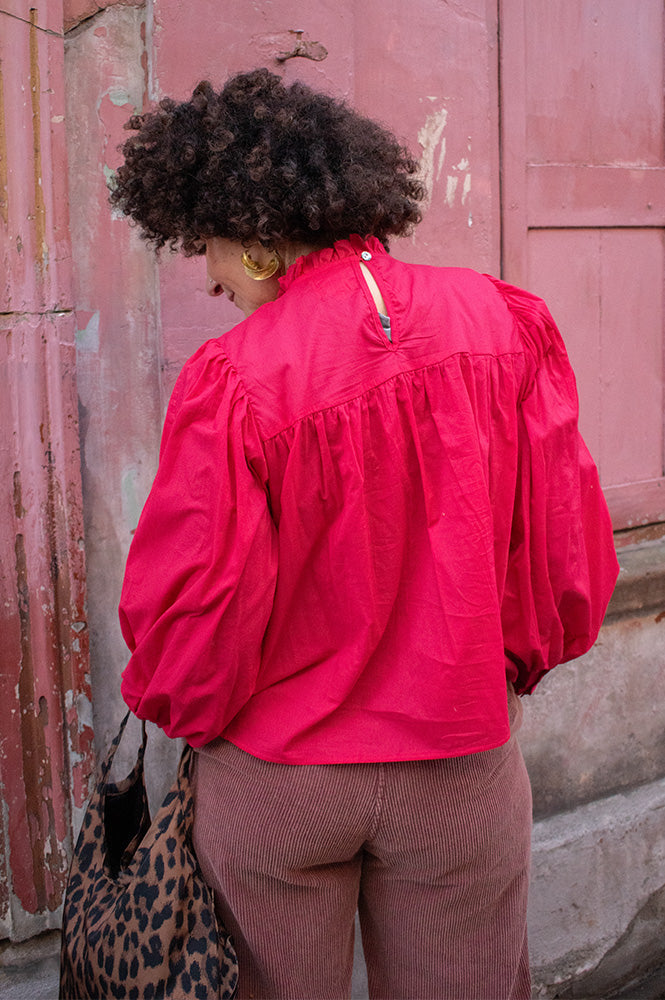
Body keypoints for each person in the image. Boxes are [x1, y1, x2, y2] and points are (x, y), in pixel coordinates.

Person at [112, 68, 619, 1000]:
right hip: (461, 763)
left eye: (209, 249)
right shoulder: (505, 322)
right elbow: (560, 549)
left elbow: (191, 603)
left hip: (279, 779)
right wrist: (503, 673)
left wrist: (187, 714)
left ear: (260, 241)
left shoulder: (234, 377)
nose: (213, 280)